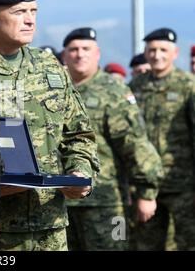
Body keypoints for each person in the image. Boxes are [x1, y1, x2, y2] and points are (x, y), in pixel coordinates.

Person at [0, 0, 100, 251]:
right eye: (19, 12)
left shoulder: (50, 67)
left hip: (51, 228)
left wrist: (80, 173)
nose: (30, 19)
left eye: (33, 11)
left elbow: (80, 134)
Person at [61, 27, 163, 251]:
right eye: (73, 49)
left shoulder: (112, 90)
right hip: (60, 202)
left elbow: (134, 143)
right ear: (64, 55)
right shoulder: (56, 89)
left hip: (107, 203)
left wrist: (146, 192)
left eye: (86, 49)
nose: (80, 54)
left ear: (97, 54)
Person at [129, 28, 195, 250]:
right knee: (146, 244)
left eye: (163, 50)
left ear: (175, 53)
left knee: (187, 242)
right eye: (152, 50)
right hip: (146, 184)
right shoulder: (135, 87)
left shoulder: (188, 86)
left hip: (183, 183)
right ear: (146, 53)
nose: (157, 55)